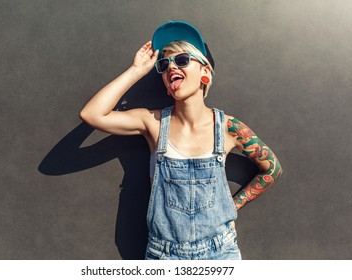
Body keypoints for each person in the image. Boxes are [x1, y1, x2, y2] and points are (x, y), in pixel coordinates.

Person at [80, 21, 282, 260]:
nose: (171, 68)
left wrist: (233, 206)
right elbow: (92, 115)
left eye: (182, 60)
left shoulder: (228, 128)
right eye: (164, 65)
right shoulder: (152, 123)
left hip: (220, 253)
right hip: (164, 256)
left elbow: (272, 169)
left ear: (205, 73)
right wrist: (136, 70)